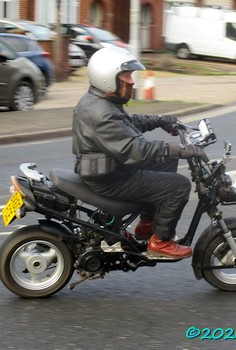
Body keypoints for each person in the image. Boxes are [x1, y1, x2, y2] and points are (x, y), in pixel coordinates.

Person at [72, 46, 207, 259]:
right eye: (126, 76)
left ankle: (146, 225)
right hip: (110, 178)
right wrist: (181, 150)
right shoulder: (102, 113)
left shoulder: (101, 102)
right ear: (108, 77)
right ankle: (160, 242)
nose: (132, 81)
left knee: (166, 164)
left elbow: (128, 124)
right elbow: (137, 150)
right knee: (179, 186)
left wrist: (159, 120)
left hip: (107, 168)